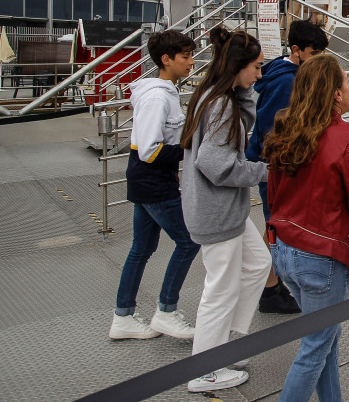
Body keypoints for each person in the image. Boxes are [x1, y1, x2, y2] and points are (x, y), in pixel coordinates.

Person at [262, 54, 349, 402]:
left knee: (325, 338)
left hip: (285, 249)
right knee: (315, 346)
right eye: (346, 83)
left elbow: (274, 196)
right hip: (323, 257)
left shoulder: (286, 130)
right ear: (335, 94)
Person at [180, 27, 271, 393]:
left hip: (221, 209)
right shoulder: (220, 104)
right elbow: (216, 164)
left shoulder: (215, 95)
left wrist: (246, 89)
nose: (259, 76)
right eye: (256, 68)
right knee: (220, 288)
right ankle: (204, 370)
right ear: (238, 65)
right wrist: (265, 171)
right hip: (217, 210)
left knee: (258, 264)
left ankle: (227, 342)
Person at [109, 30, 199, 341]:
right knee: (188, 242)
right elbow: (148, 149)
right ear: (166, 59)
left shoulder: (166, 92)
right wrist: (190, 148)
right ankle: (167, 312)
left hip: (149, 179)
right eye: (185, 57)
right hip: (152, 180)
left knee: (142, 248)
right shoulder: (158, 96)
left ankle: (123, 317)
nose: (191, 62)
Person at [245, 20, 329, 314]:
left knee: (278, 226)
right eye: (314, 52)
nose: (318, 59)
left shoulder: (286, 74)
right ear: (296, 50)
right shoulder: (286, 82)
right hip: (276, 168)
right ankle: (270, 289)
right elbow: (272, 128)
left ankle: (274, 285)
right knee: (279, 227)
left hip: (276, 165)